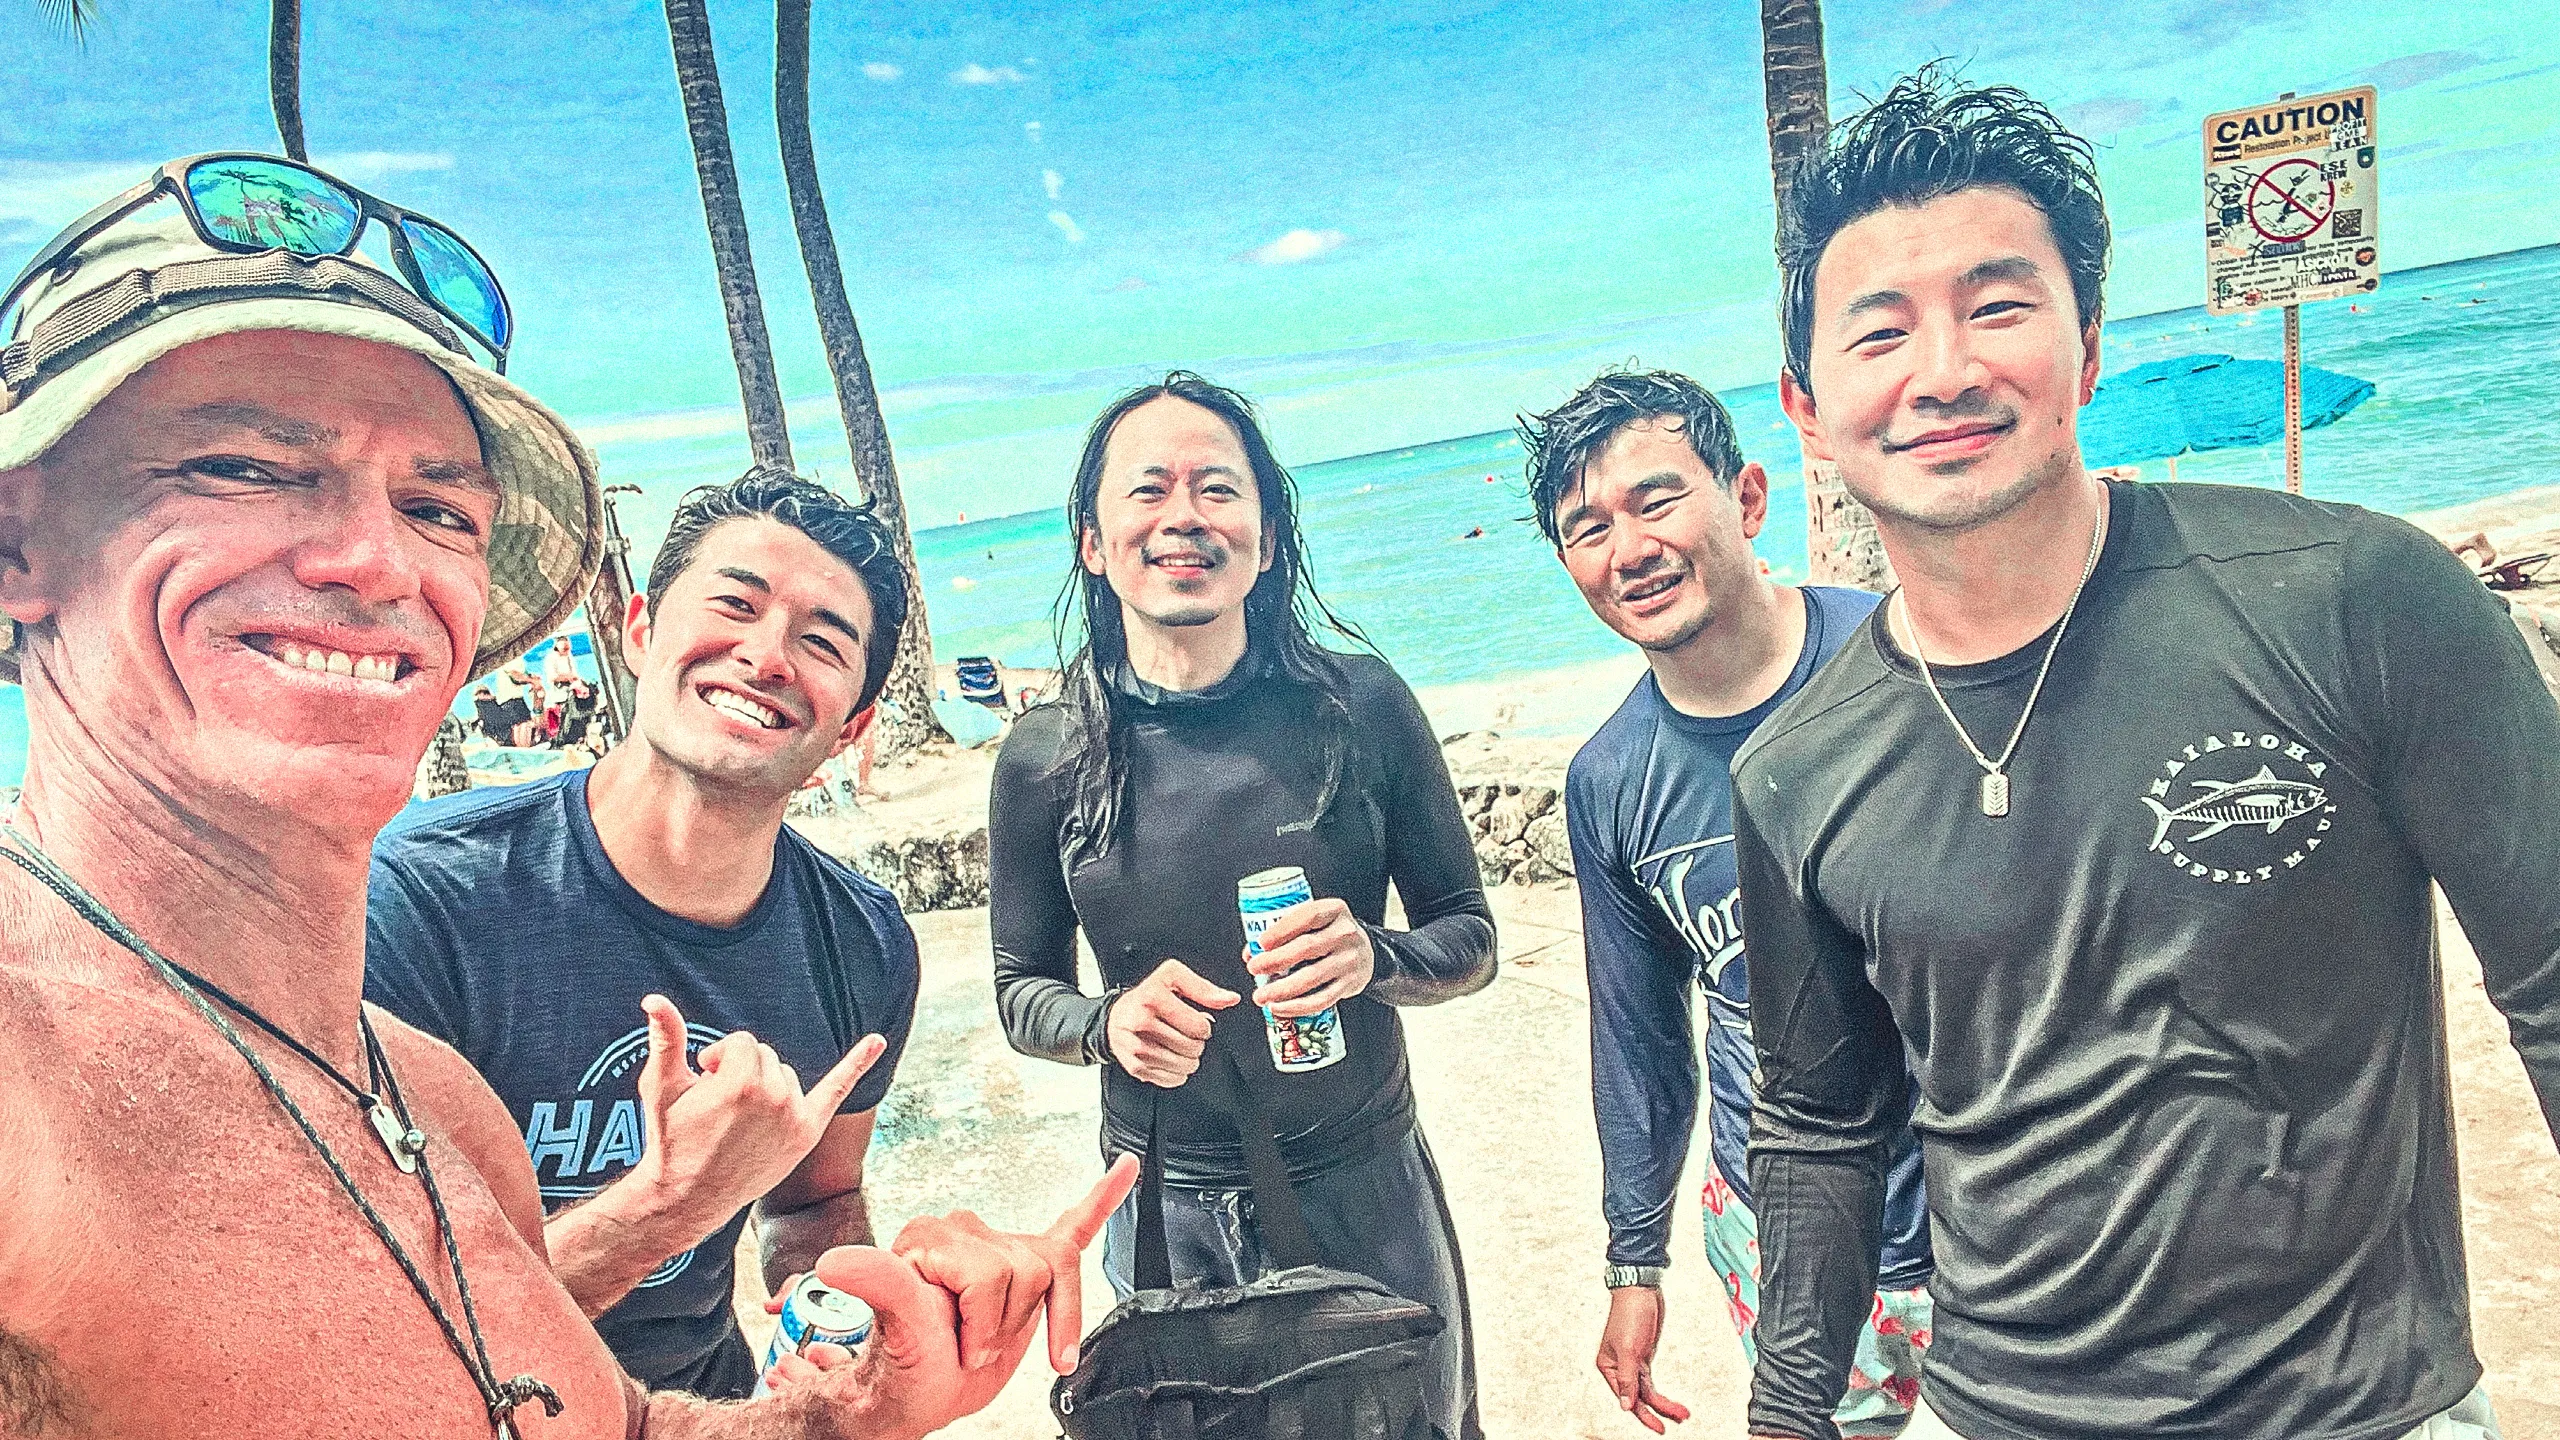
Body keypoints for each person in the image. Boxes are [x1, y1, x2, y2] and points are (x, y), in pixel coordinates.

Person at [0, 159, 1129, 1439]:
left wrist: (845, 1409)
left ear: (855, 722)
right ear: (19, 541)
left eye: (437, 509)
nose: (375, 559)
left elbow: (582, 1418)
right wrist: (665, 1204)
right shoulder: (40, 1077)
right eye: (249, 467)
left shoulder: (430, 1102)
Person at [1735, 72, 2559, 1440]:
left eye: (1999, 307)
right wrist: (1784, 1413)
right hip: (1993, 1411)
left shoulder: (2354, 600)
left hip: (2357, 1411)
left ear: (2088, 350)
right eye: (1878, 332)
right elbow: (1819, 1127)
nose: (1944, 371)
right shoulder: (1795, 774)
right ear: (1807, 409)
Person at [989, 373, 1498, 1440]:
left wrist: (1374, 958)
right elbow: (1021, 989)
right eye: (1149, 491)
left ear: (1265, 540)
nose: (1184, 515)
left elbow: (1469, 934)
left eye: (1217, 489)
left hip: (1364, 1187)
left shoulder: (1360, 707)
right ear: (1094, 543)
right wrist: (1105, 1024)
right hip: (1164, 1210)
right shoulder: (1046, 755)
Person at [368, 471, 928, 1398]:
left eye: (822, 642)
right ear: (638, 631)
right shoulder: (424, 897)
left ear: (853, 725)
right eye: (734, 605)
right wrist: (670, 1202)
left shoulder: (861, 944)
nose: (767, 656)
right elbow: (379, 1324)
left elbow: (814, 1202)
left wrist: (840, 1326)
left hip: (705, 1406)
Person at [1517, 370, 1929, 1437]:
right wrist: (1633, 1260)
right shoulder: (1611, 780)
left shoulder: (1903, 657)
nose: (1628, 550)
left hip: (1985, 1210)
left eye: (1656, 501)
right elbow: (1639, 1037)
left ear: (1746, 498)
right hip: (1773, 1227)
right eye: (1587, 529)